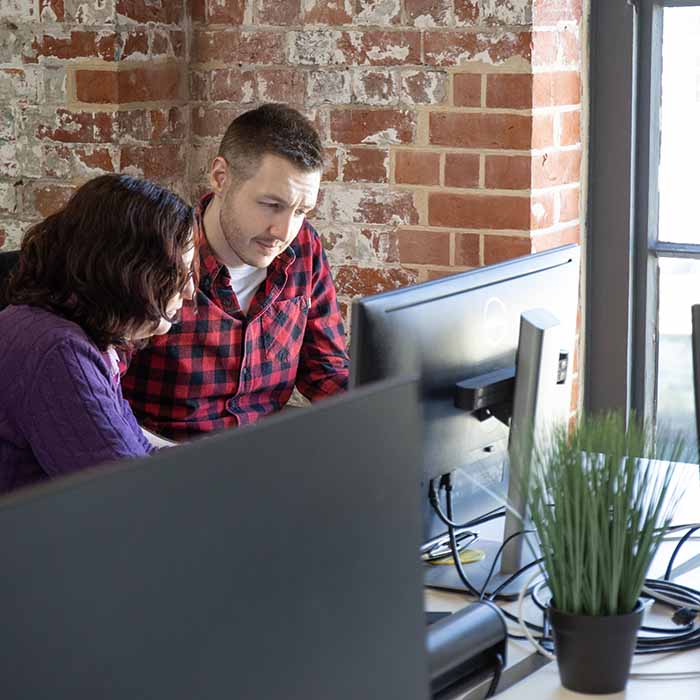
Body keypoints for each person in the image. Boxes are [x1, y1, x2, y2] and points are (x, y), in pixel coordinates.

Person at [122, 103, 350, 441]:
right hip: (164, 464)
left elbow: (325, 370)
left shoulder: (304, 247)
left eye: (301, 211)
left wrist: (392, 413)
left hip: (265, 462)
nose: (283, 231)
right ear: (220, 178)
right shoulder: (156, 254)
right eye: (272, 205)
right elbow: (101, 392)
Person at [0, 174, 196, 493]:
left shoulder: (77, 334)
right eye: (177, 272)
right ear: (127, 271)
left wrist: (216, 462)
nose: (188, 290)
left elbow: (136, 451)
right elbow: (126, 497)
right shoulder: (58, 352)